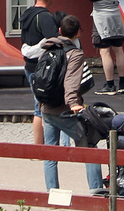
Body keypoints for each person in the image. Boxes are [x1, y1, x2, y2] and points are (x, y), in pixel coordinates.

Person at [38, 14, 103, 195]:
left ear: (59, 31)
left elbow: (40, 79)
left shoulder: (46, 49)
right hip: (65, 111)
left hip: (46, 108)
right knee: (90, 147)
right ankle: (96, 193)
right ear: (77, 34)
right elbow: (71, 81)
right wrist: (74, 104)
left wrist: (40, 105)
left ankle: (53, 194)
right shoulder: (75, 54)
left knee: (50, 153)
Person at [20, 0, 61, 143]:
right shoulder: (45, 17)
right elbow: (53, 41)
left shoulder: (27, 13)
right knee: (40, 108)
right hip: (42, 68)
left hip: (29, 65)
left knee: (38, 105)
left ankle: (40, 146)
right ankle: (39, 148)